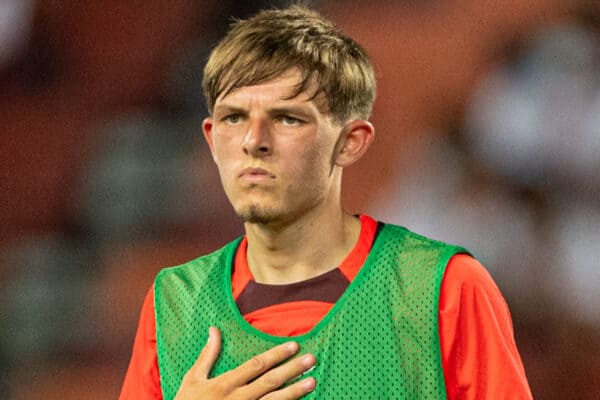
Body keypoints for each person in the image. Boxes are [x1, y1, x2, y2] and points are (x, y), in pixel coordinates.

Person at [120, 5, 532, 400]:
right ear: (211, 138)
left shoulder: (444, 290)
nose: (253, 141)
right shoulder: (173, 302)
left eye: (287, 118)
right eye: (234, 118)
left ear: (350, 143)